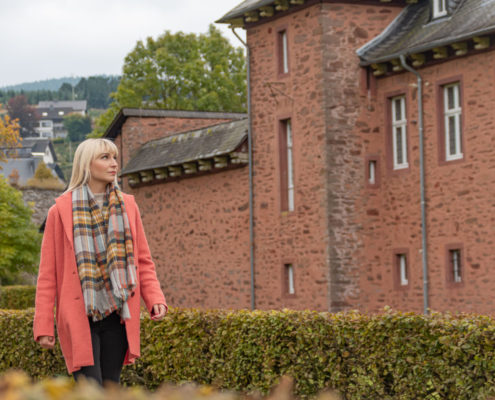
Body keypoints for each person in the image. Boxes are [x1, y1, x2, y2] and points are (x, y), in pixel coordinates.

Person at [33, 138, 168, 386]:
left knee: (110, 386)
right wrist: (43, 325)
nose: (114, 164)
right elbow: (47, 275)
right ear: (87, 164)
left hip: (118, 314)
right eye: (105, 158)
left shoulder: (128, 206)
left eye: (114, 157)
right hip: (79, 315)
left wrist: (155, 298)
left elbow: (143, 261)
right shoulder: (60, 212)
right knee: (91, 389)